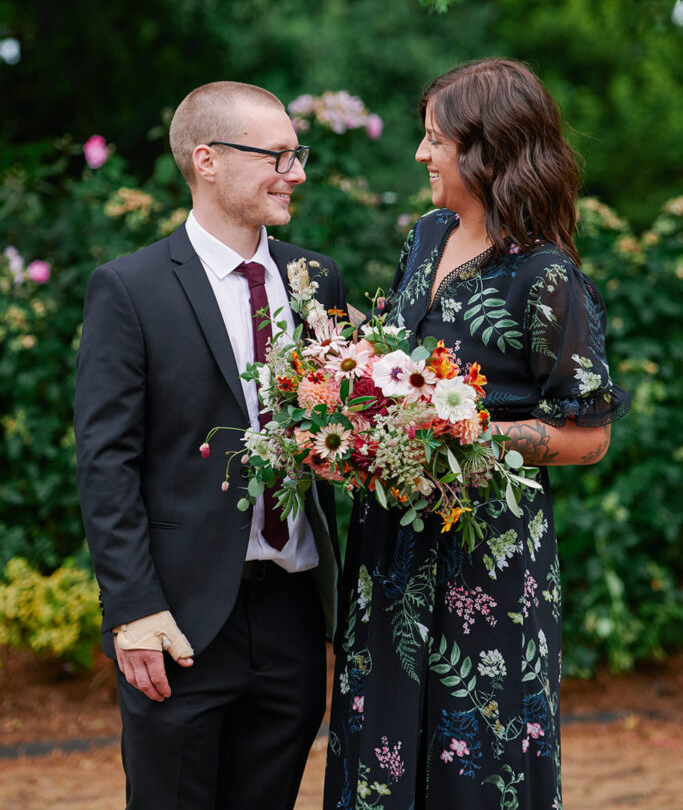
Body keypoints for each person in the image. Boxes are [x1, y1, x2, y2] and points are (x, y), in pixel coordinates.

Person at [323, 58, 630, 810]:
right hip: (389, 551)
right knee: (381, 744)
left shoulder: (545, 276)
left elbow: (588, 435)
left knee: (478, 754)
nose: (421, 155)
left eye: (434, 139)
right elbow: (401, 366)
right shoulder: (425, 237)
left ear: (486, 150)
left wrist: (475, 438)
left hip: (485, 564)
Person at [75, 81, 346, 810]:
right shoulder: (128, 289)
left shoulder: (317, 280)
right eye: (278, 156)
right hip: (180, 620)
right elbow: (107, 463)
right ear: (207, 160)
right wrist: (131, 608)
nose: (296, 172)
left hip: (292, 611)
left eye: (297, 155)